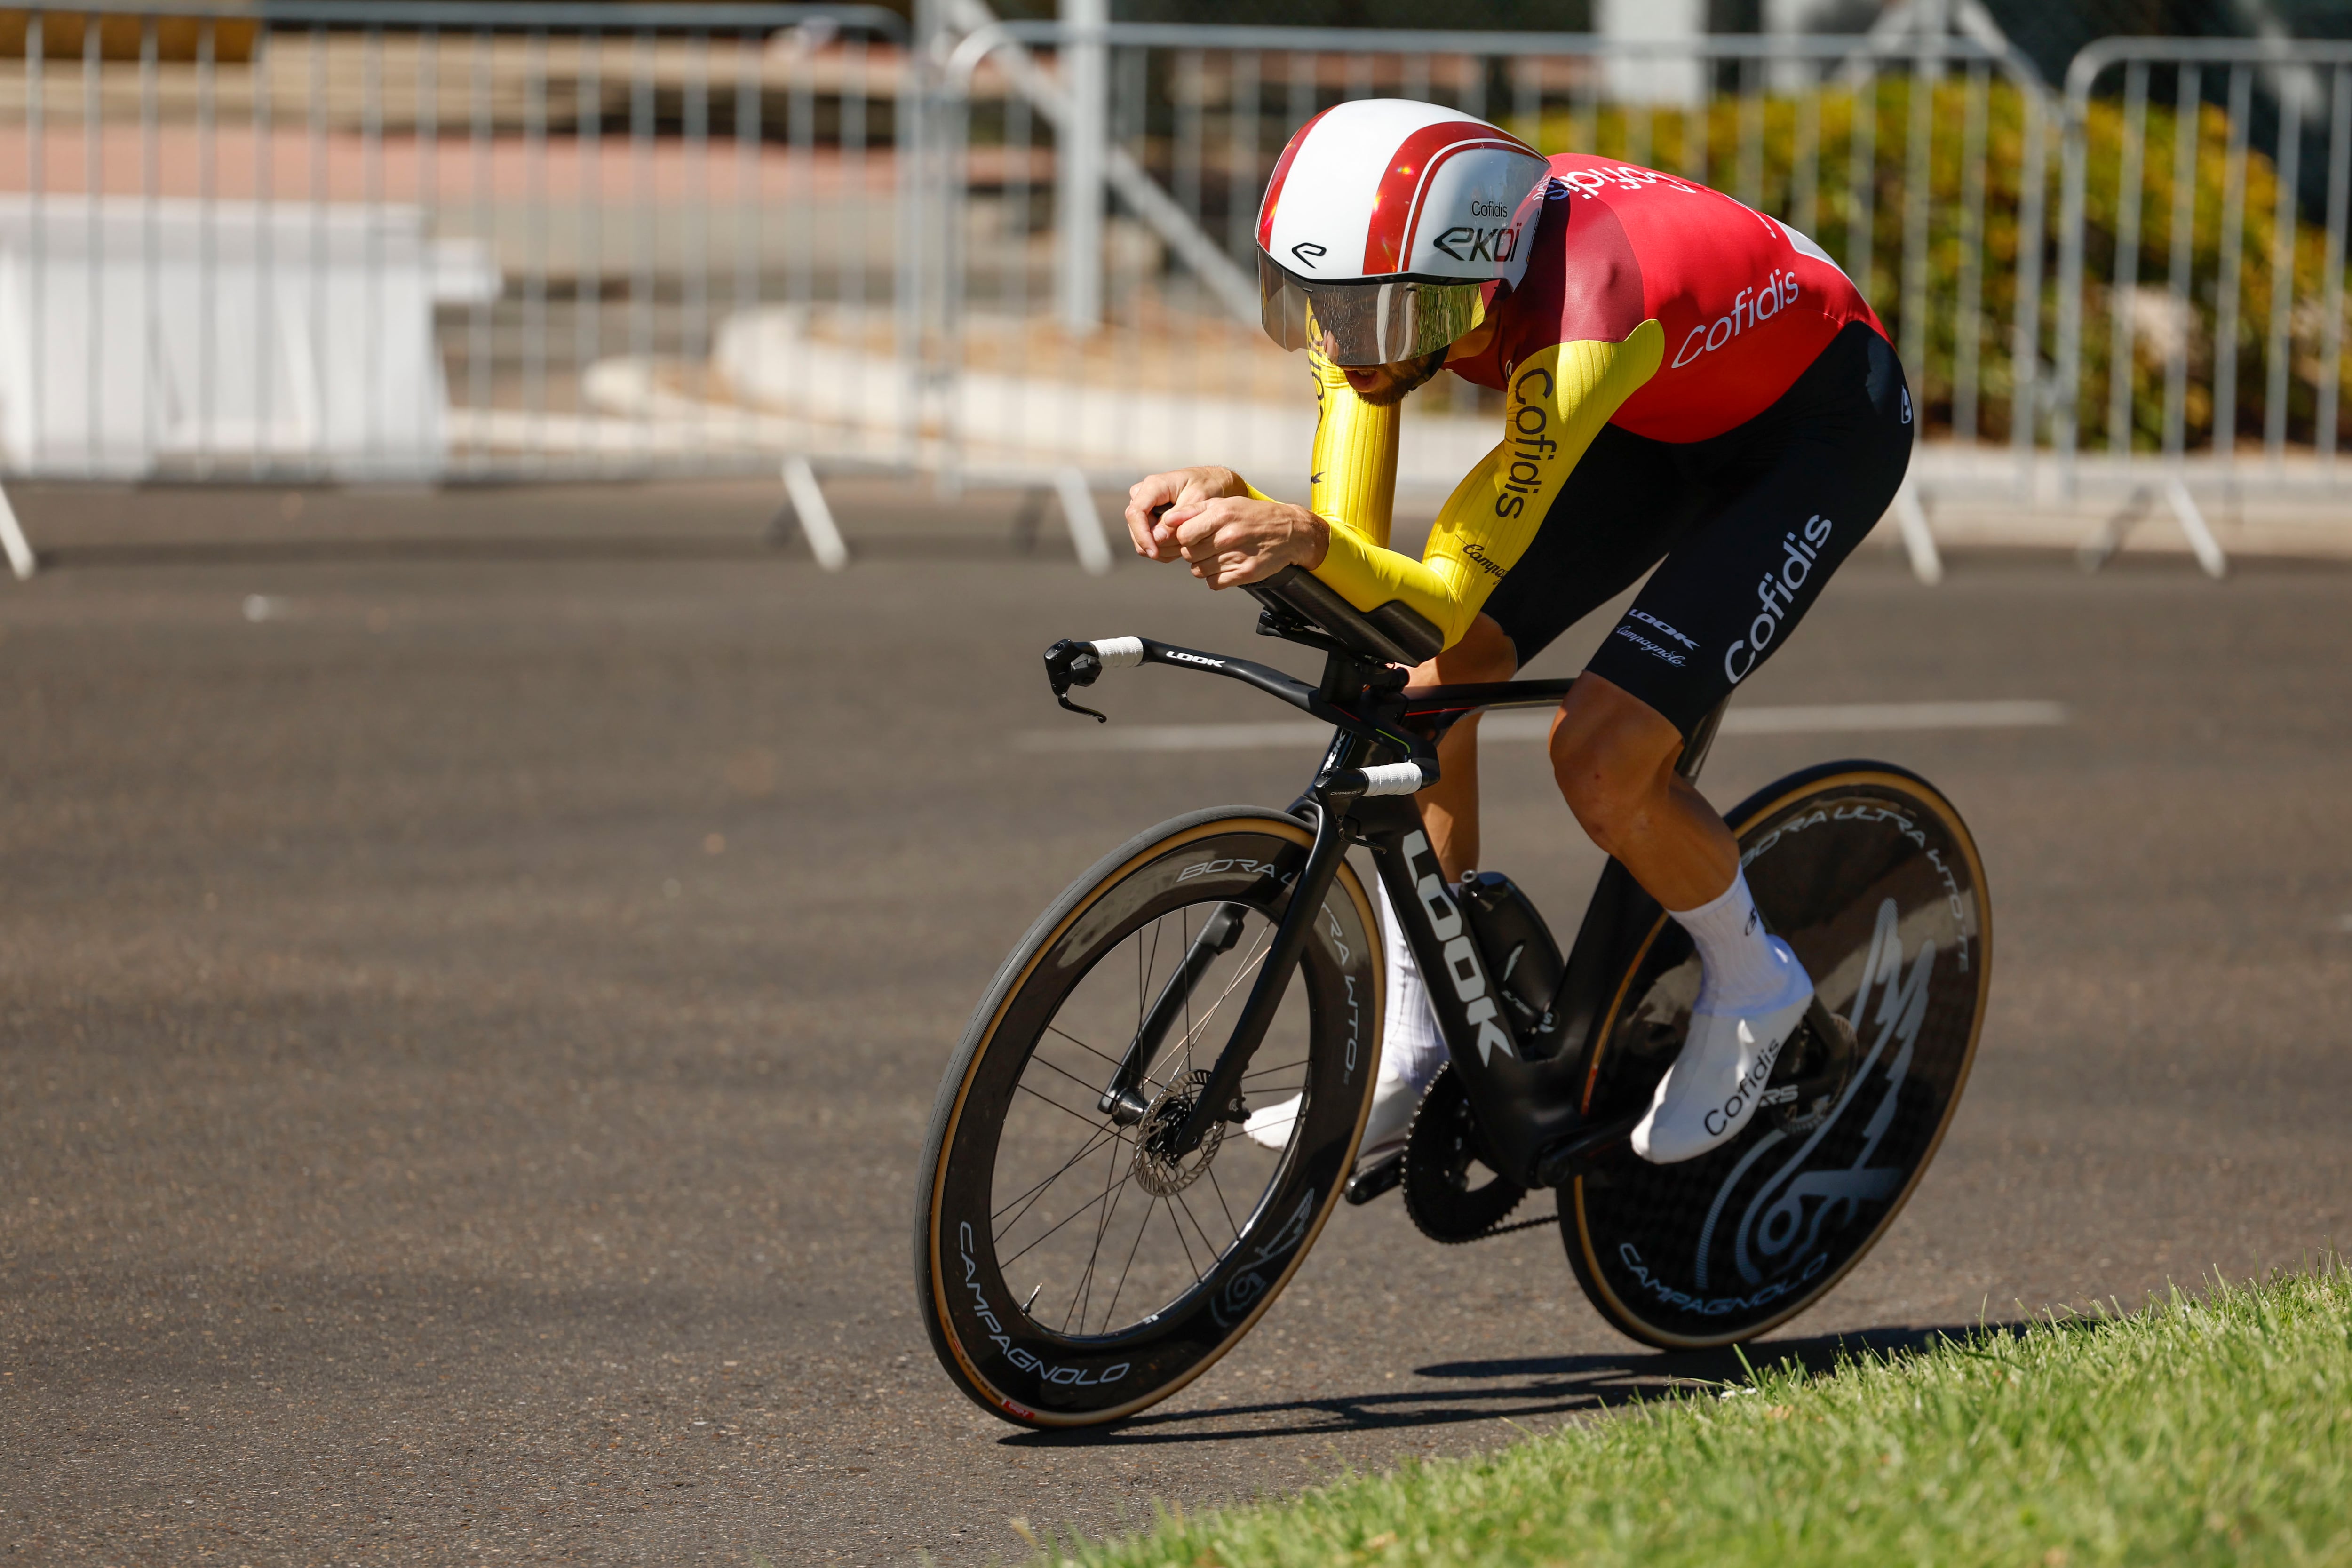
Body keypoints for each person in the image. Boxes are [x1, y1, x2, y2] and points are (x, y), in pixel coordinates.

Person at [1120, 98, 1914, 1169]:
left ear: (1476, 286)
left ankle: (1755, 982)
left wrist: (1298, 535)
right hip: (1657, 405)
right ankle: (1416, 1038)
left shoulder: (1580, 320)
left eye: (1377, 318)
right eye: (1310, 305)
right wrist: (1248, 501)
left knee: (1601, 754)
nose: (1344, 346)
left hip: (1815, 426)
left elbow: (1437, 595)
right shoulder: (1384, 298)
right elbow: (1366, 573)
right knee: (1417, 696)